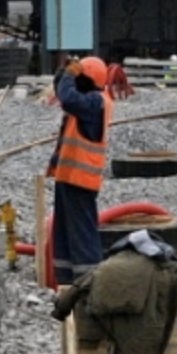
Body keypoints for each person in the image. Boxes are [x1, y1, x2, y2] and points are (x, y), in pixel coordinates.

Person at [47, 55, 111, 286]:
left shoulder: (96, 102)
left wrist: (69, 76)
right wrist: (63, 73)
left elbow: (67, 99)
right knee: (64, 231)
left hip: (81, 179)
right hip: (69, 177)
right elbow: (61, 91)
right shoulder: (89, 98)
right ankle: (65, 280)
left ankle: (90, 282)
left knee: (82, 233)